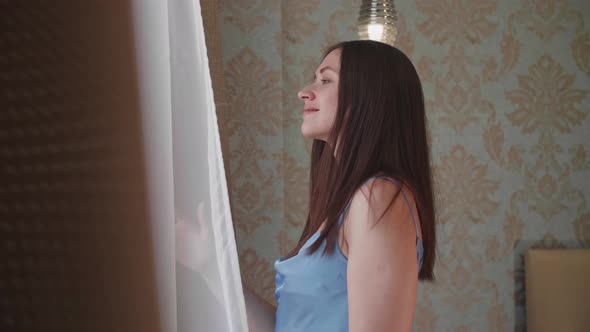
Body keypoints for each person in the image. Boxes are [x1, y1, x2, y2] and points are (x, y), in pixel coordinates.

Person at [243, 40, 436, 332]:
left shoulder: (379, 197)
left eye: (325, 80)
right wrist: (208, 264)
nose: (304, 92)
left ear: (369, 96)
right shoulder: (348, 204)